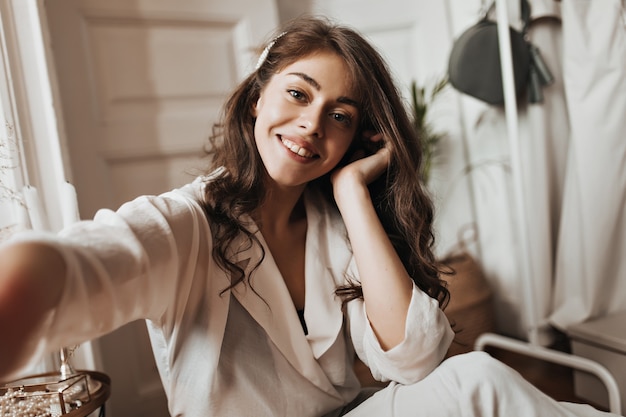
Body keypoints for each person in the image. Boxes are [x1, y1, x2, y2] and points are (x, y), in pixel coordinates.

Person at [0, 15, 620, 417]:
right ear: (255, 101)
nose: (312, 125)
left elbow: (416, 361)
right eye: (298, 93)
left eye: (341, 115)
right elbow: (96, 259)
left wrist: (352, 194)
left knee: (477, 380)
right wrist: (27, 277)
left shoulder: (333, 222)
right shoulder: (191, 223)